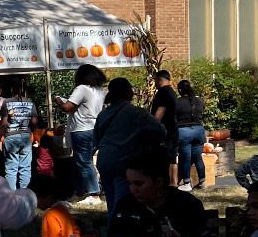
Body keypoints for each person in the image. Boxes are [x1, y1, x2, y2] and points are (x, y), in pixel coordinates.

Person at [111, 147, 207, 237]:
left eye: (139, 184)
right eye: (129, 183)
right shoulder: (126, 204)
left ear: (159, 182)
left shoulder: (186, 205)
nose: (133, 189)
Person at [94, 80, 165, 212]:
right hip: (124, 162)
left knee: (111, 203)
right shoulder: (137, 113)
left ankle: (113, 228)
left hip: (104, 162)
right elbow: (160, 131)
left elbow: (96, 140)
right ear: (129, 93)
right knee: (124, 204)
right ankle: (122, 229)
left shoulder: (103, 114)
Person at [55, 64, 106, 201]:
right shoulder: (100, 90)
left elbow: (67, 107)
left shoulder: (81, 89)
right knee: (84, 161)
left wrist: (59, 100)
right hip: (95, 128)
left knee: (83, 162)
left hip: (81, 128)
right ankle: (81, 191)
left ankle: (93, 193)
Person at [0, 78, 37, 190]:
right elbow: (34, 122)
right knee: (25, 167)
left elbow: (4, 123)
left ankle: (12, 196)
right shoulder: (30, 102)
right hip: (25, 136)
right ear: (25, 89)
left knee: (11, 168)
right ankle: (24, 193)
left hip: (11, 136)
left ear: (11, 89)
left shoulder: (6, 102)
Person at [173, 79, 207, 189]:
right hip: (198, 130)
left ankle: (187, 182)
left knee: (186, 158)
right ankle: (202, 181)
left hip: (184, 131)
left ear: (180, 90)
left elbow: (174, 118)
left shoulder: (177, 102)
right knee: (198, 157)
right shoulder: (199, 101)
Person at [149, 69, 178, 147]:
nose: (154, 84)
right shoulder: (172, 91)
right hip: (172, 130)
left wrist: (152, 127)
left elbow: (160, 111)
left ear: (159, 80)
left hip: (164, 132)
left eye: (155, 81)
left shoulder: (163, 92)